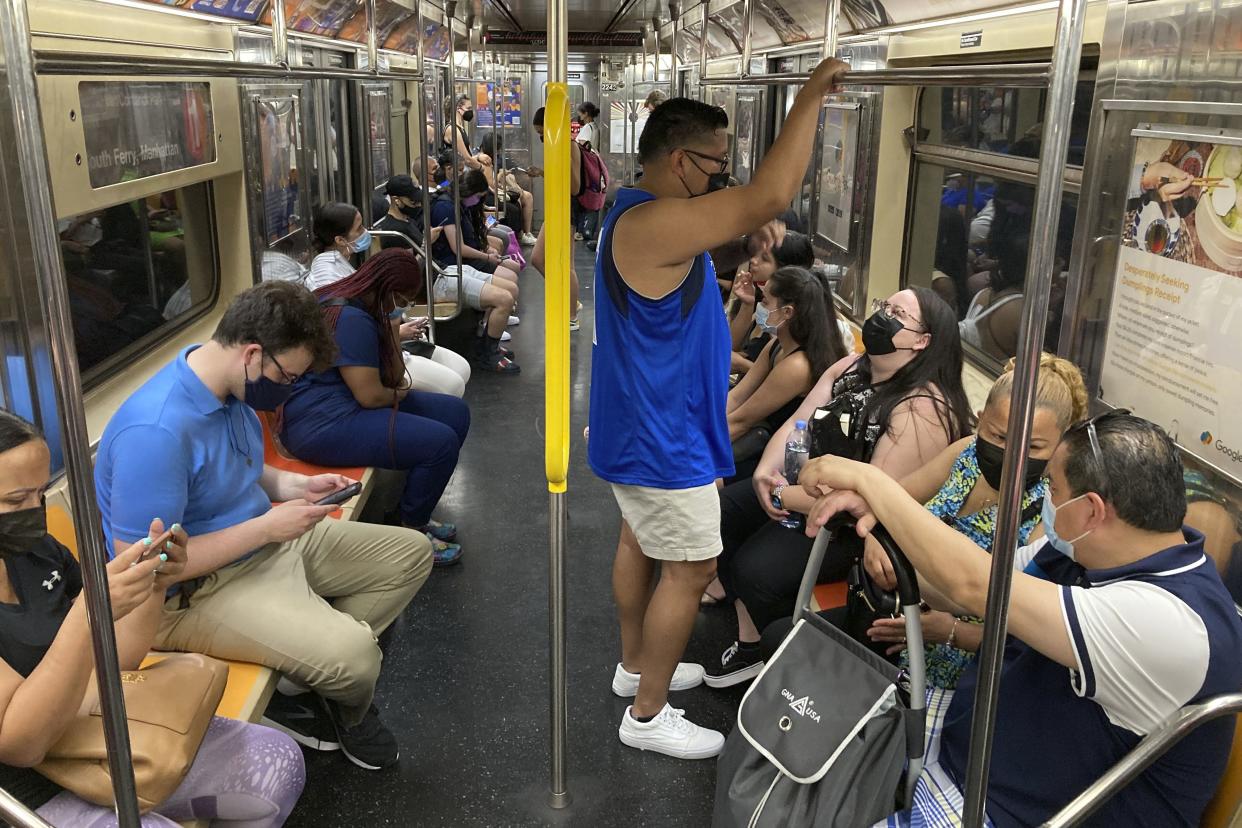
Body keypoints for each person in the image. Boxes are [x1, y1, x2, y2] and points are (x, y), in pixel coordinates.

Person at [588, 57, 851, 759]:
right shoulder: (654, 225)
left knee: (639, 540)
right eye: (715, 166)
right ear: (679, 161)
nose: (722, 179)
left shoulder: (637, 216)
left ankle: (636, 668)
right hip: (660, 433)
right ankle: (646, 717)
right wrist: (813, 92)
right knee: (693, 568)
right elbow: (770, 193)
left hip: (647, 423)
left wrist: (740, 239)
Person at [800, 412, 1242, 827]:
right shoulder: (1082, 551)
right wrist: (882, 539)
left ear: (1091, 509)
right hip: (977, 742)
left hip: (1012, 809)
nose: (1045, 500)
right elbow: (963, 588)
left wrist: (868, 480)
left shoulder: (1170, 625)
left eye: (1051, 488)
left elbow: (971, 585)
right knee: (811, 733)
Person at [94, 281, 434, 771]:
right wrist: (268, 529)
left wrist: (294, 488)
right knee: (358, 661)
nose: (289, 388)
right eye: (290, 376)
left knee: (410, 554)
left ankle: (311, 669)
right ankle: (342, 698)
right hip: (195, 591)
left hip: (264, 541)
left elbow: (244, 472)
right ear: (253, 354)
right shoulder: (157, 433)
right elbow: (145, 568)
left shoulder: (231, 392)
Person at [0, 410, 305, 826]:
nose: (34, 510)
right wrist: (86, 619)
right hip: (26, 789)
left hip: (89, 726)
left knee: (277, 760)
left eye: (41, 494)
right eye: (17, 501)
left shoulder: (35, 552)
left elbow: (118, 661)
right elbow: (23, 747)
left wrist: (154, 583)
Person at [704, 288, 973, 688]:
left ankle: (766, 652)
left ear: (922, 341)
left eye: (897, 312)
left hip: (856, 528)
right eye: (884, 306)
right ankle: (749, 635)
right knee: (722, 512)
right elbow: (799, 420)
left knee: (756, 569)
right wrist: (766, 471)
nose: (882, 316)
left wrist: (780, 494)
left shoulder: (923, 409)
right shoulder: (851, 367)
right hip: (803, 488)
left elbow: (865, 501)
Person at [280, 249, 470, 565]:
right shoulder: (350, 318)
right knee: (440, 443)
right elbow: (371, 396)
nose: (402, 308)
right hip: (320, 423)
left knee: (455, 413)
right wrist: (403, 392)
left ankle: (409, 509)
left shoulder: (367, 308)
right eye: (402, 300)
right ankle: (411, 530)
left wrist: (392, 326)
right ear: (387, 290)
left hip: (342, 405)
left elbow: (393, 377)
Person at [725, 266, 849, 482]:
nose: (760, 308)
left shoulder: (798, 365)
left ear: (787, 312)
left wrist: (692, 445)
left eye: (765, 302)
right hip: (755, 440)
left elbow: (744, 419)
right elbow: (737, 396)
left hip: (778, 460)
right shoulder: (777, 345)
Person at [429, 174, 522, 373]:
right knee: (505, 296)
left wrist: (486, 251)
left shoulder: (457, 204)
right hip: (447, 269)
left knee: (511, 286)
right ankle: (488, 352)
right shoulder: (444, 207)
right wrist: (486, 257)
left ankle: (488, 342)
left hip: (454, 266)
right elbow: (457, 248)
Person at [529, 106, 584, 332]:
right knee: (538, 258)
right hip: (555, 208)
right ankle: (570, 300)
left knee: (566, 265)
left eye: (543, 133)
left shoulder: (568, 146)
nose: (542, 138)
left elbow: (574, 186)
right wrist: (543, 173)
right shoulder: (556, 146)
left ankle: (571, 314)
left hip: (565, 210)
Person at [478, 133, 537, 245]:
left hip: (493, 192)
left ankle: (523, 234)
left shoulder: (493, 159)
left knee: (521, 199)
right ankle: (515, 237)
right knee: (513, 208)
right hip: (487, 196)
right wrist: (501, 176)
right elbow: (491, 185)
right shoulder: (485, 161)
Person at [307, 202, 369, 290]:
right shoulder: (326, 277)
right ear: (340, 240)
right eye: (358, 228)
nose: (364, 231)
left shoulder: (340, 260)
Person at [441, 95, 489, 171]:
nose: (470, 111)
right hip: (457, 175)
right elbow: (467, 160)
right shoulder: (453, 129)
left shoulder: (460, 128)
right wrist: (482, 169)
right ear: (458, 109)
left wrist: (478, 157)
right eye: (468, 108)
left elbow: (465, 157)